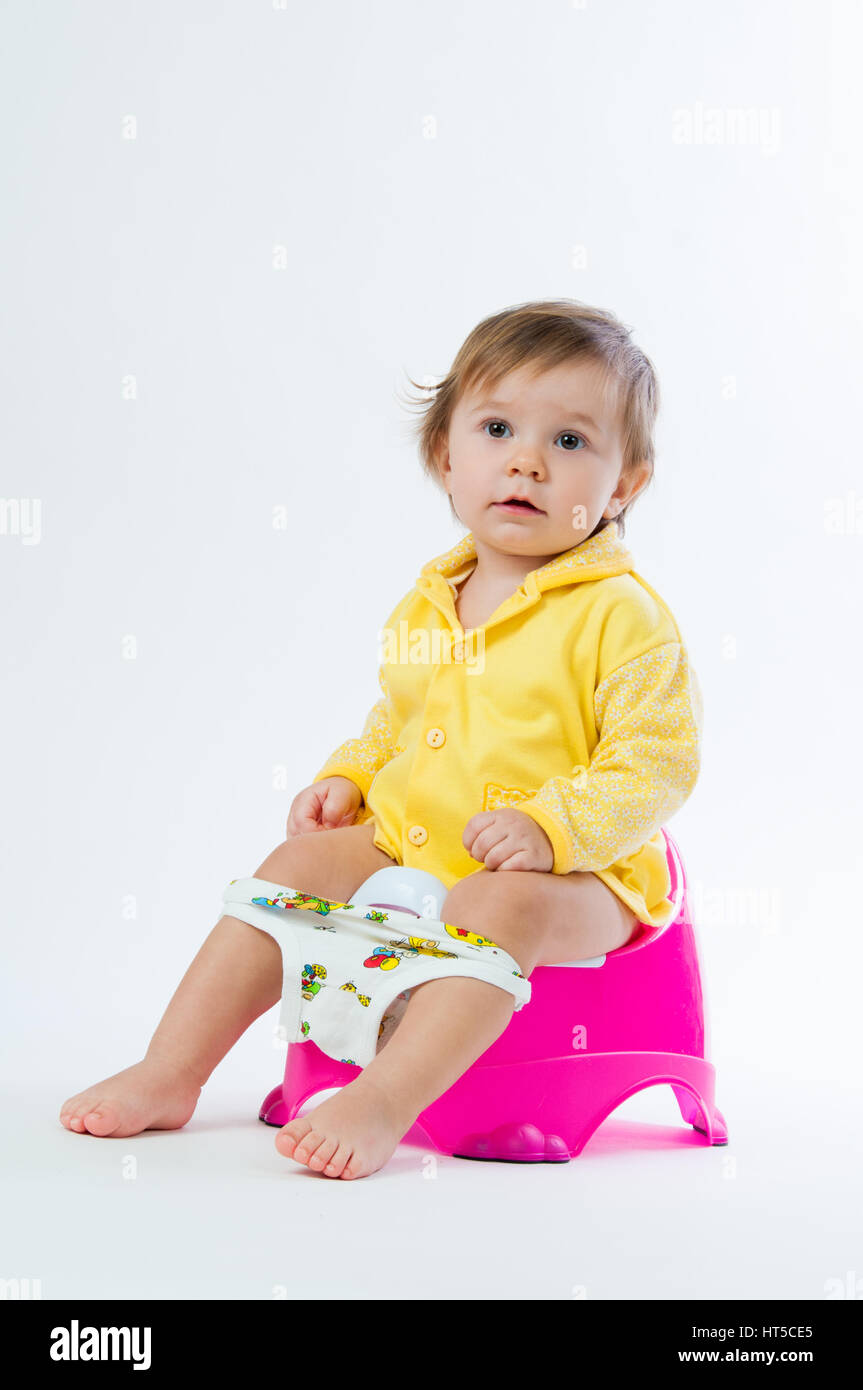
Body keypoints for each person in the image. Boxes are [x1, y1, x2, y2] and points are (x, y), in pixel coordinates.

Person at [59, 298, 703, 1180]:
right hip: (419, 842)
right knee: (292, 871)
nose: (525, 460)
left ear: (624, 485)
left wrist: (552, 829)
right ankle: (173, 1070)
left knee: (495, 906)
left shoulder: (621, 617)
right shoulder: (432, 599)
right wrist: (351, 779)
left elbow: (657, 764)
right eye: (498, 428)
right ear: (446, 456)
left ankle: (386, 1097)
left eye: (569, 443)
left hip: (582, 872)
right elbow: (398, 721)